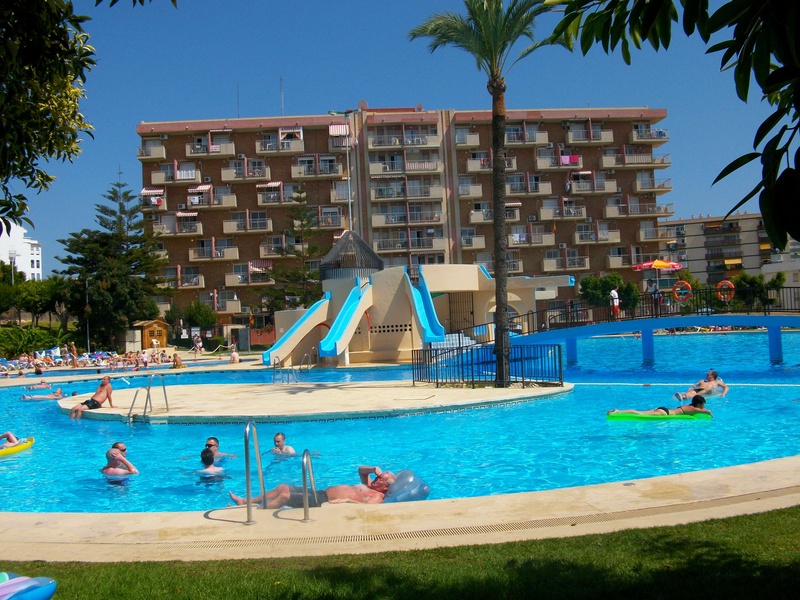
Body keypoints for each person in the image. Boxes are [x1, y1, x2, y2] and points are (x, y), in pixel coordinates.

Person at [228, 465, 396, 509]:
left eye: (380, 478)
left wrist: (347, 500)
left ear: (385, 487)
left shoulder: (378, 496)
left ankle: (256, 511)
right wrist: (373, 468)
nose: (377, 477)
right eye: (378, 475)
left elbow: (368, 508)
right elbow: (360, 470)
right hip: (320, 493)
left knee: (285, 497)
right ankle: (245, 501)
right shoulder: (369, 485)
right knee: (282, 487)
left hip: (321, 501)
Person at [608, 396, 713, 417]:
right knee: (639, 413)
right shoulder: (694, 408)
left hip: (664, 409)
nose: (703, 407)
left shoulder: (689, 406)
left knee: (641, 411)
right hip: (664, 413)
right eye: (702, 405)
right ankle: (618, 411)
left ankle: (619, 411)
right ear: (698, 404)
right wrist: (711, 415)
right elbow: (707, 412)